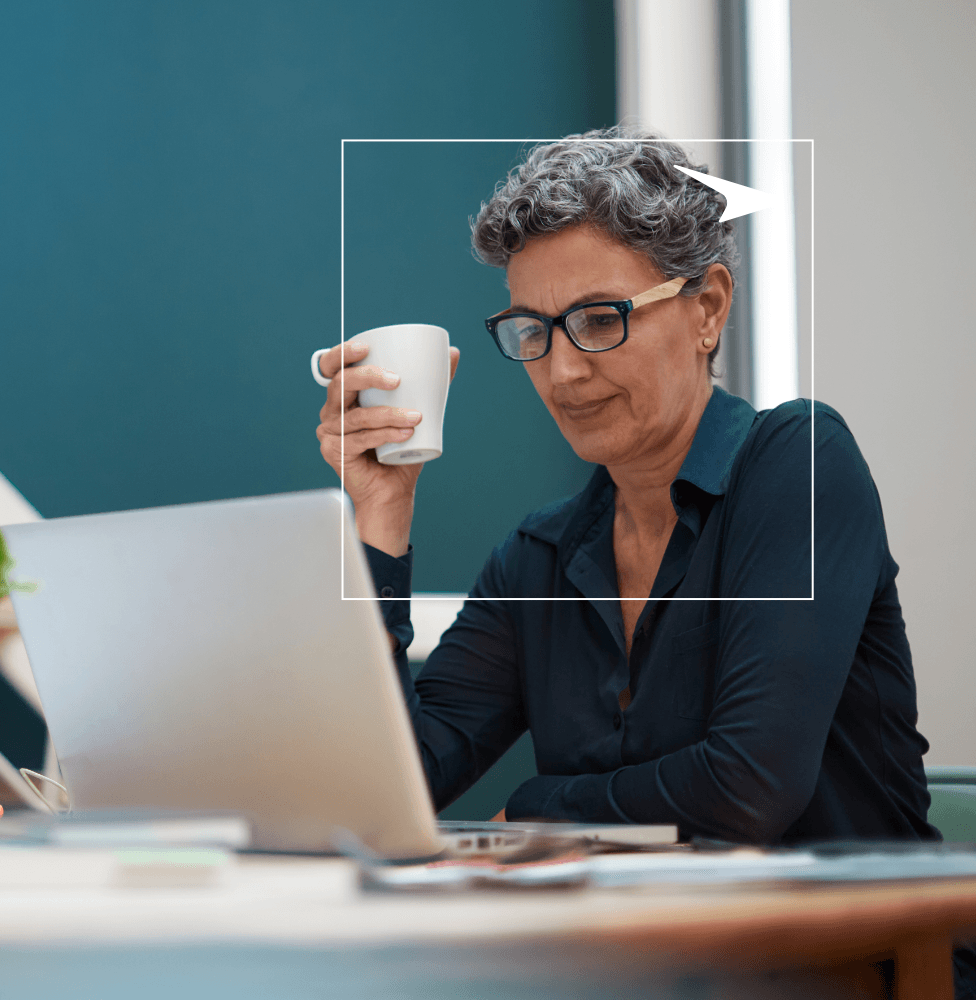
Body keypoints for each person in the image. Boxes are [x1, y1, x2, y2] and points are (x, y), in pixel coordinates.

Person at [315, 128, 936, 844]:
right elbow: (391, 788)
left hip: (859, 948)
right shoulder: (538, 559)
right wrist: (383, 513)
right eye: (532, 331)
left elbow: (750, 786)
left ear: (707, 309)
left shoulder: (800, 463)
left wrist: (535, 808)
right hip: (636, 952)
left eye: (600, 319)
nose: (563, 372)